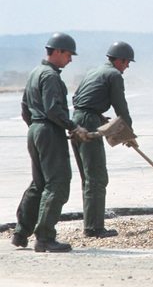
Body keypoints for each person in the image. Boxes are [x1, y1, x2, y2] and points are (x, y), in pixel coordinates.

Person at [12, 33, 90, 253]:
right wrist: (72, 126)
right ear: (56, 52)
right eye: (68, 54)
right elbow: (53, 109)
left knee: (39, 183)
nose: (70, 60)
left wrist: (36, 129)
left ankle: (21, 233)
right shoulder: (50, 76)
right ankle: (45, 237)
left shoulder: (34, 73)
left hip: (35, 129)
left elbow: (25, 107)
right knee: (58, 182)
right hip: (48, 130)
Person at [71, 41, 136, 238]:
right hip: (89, 122)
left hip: (77, 121)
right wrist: (129, 134)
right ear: (119, 60)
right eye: (127, 63)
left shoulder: (95, 70)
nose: (127, 67)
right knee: (97, 177)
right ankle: (93, 228)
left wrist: (97, 116)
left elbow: (77, 99)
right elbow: (120, 108)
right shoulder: (114, 75)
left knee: (88, 177)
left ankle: (91, 223)